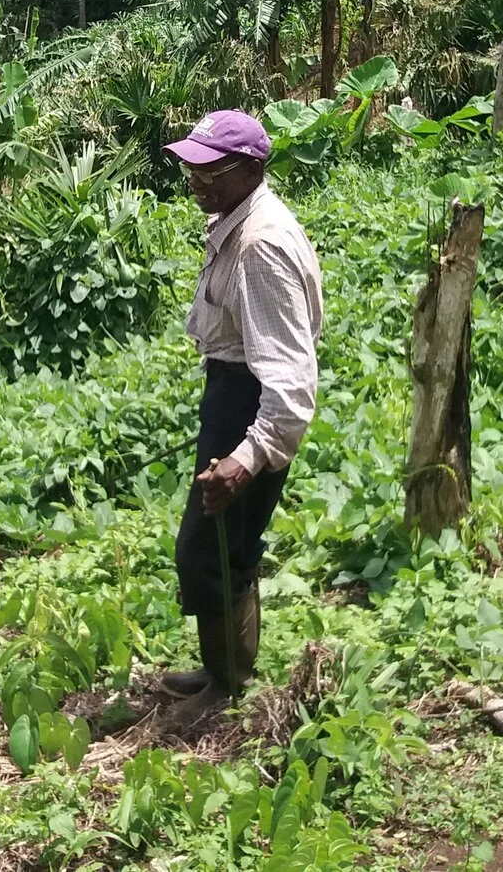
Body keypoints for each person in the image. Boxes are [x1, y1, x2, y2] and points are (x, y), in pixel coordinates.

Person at [157, 110, 324, 699]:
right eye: (192, 169)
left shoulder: (260, 247)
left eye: (212, 171)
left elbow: (291, 379)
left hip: (251, 401)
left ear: (251, 169)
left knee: (210, 547)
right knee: (222, 543)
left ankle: (228, 687)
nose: (197, 181)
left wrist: (248, 457)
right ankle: (222, 673)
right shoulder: (237, 218)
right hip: (233, 389)